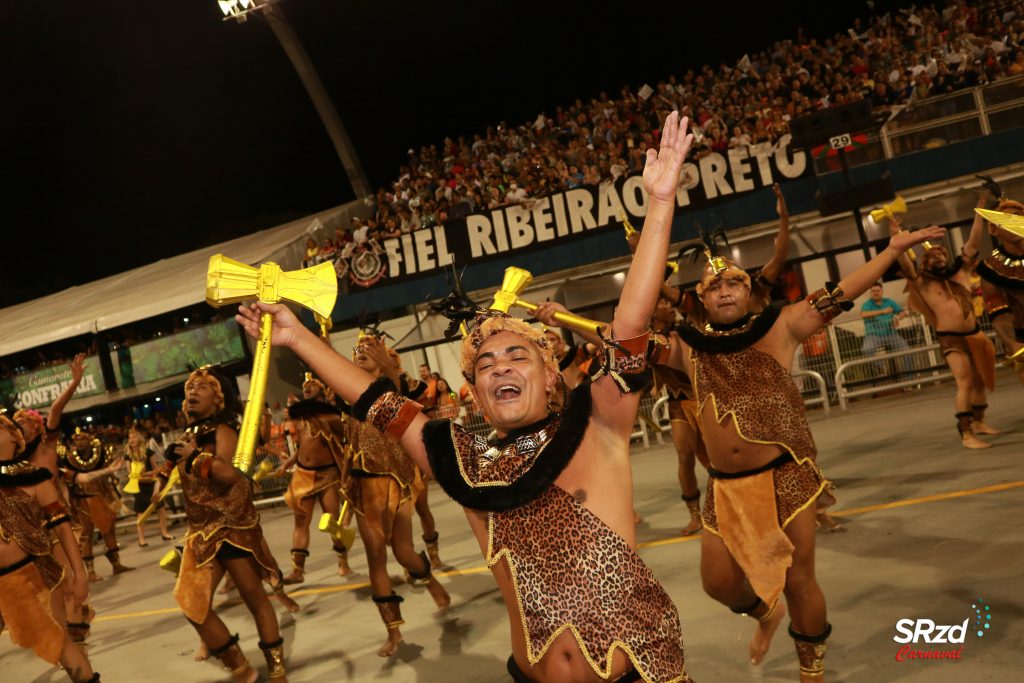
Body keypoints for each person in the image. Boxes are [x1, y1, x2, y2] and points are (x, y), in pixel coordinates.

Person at [237, 110, 696, 683]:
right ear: (475, 393)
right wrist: (296, 337)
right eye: (485, 363)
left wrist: (660, 205)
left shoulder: (598, 424)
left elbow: (630, 322)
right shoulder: (466, 462)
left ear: (551, 376)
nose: (500, 365)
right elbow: (378, 403)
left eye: (517, 356)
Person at [663, 221, 945, 682]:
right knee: (716, 583)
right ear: (702, 299)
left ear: (750, 289)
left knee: (798, 580)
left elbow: (842, 290)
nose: (726, 291)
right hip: (725, 489)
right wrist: (564, 321)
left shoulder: (783, 325)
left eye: (735, 281)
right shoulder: (686, 348)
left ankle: (811, 671)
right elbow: (624, 338)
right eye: (714, 287)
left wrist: (893, 249)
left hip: (785, 476)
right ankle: (763, 613)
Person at [162, 366, 296, 682]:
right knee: (191, 603)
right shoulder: (187, 436)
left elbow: (226, 474)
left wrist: (195, 457)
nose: (192, 391)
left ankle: (276, 671)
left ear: (218, 400)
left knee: (255, 599)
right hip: (201, 533)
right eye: (190, 386)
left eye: (202, 388)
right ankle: (240, 667)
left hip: (231, 529)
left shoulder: (224, 430)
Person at [333, 334, 451, 656]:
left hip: (396, 482)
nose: (360, 353)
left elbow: (400, 398)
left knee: (403, 552)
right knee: (376, 559)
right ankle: (394, 632)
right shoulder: (348, 393)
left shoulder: (395, 388)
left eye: (369, 349)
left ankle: (429, 580)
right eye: (356, 350)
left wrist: (385, 363)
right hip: (363, 485)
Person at [0, 413, 98, 683]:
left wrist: (80, 576)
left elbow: (63, 529)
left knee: (62, 643)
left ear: (13, 437)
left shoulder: (35, 477)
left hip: (34, 576)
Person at [890, 215, 1000, 449]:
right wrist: (895, 235)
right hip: (951, 338)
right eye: (932, 257)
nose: (938, 258)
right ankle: (967, 434)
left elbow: (972, 243)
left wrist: (980, 213)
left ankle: (979, 422)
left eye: (941, 255)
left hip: (975, 334)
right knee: (965, 382)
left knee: (980, 381)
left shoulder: (960, 274)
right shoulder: (922, 282)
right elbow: (904, 262)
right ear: (925, 263)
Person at [14, 353, 97, 642]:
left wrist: (74, 382)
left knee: (71, 589)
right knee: (51, 596)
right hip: (31, 534)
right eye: (16, 426)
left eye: (24, 423)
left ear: (36, 428)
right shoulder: (14, 464)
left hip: (57, 526)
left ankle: (77, 646)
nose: (19, 428)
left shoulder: (48, 447)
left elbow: (55, 410)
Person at [275, 373, 352, 583]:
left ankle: (343, 562)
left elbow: (348, 443)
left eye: (312, 384)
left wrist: (347, 472)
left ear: (321, 390)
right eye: (305, 385)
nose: (307, 386)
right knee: (301, 521)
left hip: (328, 476)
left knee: (332, 522)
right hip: (303, 476)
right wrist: (288, 464)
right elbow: (300, 449)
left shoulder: (332, 418)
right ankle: (297, 570)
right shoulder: (300, 421)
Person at [967, 182, 1024, 384]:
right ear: (995, 230)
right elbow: (998, 311)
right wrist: (1012, 343)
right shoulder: (991, 268)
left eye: (1018, 218)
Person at [60, 429, 131, 582]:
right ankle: (90, 571)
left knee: (109, 529)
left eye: (83, 440)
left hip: (101, 495)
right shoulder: (67, 459)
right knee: (86, 534)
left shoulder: (99, 454)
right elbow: (76, 479)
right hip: (80, 500)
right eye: (77, 440)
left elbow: (88, 475)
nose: (79, 443)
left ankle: (116, 563)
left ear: (89, 441)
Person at [858, 282, 914, 383]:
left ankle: (909, 378)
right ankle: (882, 367)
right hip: (873, 334)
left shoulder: (889, 301)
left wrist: (898, 317)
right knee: (866, 350)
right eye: (873, 291)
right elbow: (864, 314)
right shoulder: (867, 304)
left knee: (907, 350)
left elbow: (902, 312)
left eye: (877, 291)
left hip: (890, 332)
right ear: (870, 293)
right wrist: (883, 311)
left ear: (882, 292)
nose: (875, 293)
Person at [126, 426, 172, 547]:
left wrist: (149, 473)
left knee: (160, 508)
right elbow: (129, 473)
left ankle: (164, 532)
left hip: (151, 484)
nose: (131, 440)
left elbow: (157, 468)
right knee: (141, 512)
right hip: (138, 486)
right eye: (129, 438)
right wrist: (136, 474)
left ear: (139, 438)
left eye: (134, 437)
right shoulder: (128, 456)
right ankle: (141, 539)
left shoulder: (148, 452)